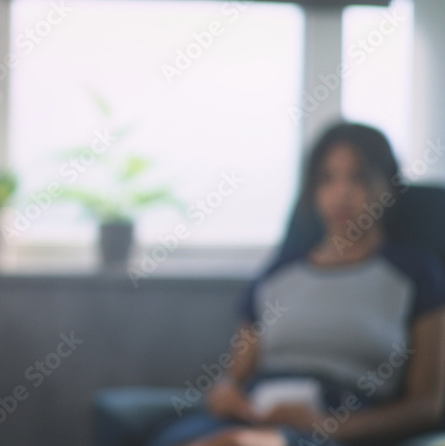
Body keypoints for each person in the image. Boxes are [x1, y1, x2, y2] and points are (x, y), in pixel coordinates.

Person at [149, 123, 445, 446]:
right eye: (327, 179)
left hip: (337, 423)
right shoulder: (278, 273)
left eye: (358, 178)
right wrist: (226, 395)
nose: (342, 193)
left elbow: (426, 406)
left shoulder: (417, 276)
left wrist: (325, 426)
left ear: (387, 186)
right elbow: (233, 376)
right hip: (255, 413)